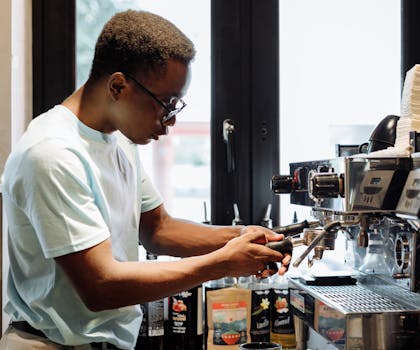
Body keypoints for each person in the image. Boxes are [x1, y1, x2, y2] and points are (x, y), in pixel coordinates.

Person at [0, 9, 290, 350]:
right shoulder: (52, 152)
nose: (169, 122)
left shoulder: (118, 140)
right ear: (119, 85)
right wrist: (222, 263)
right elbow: (100, 285)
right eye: (165, 104)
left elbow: (158, 229)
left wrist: (242, 237)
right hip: (50, 344)